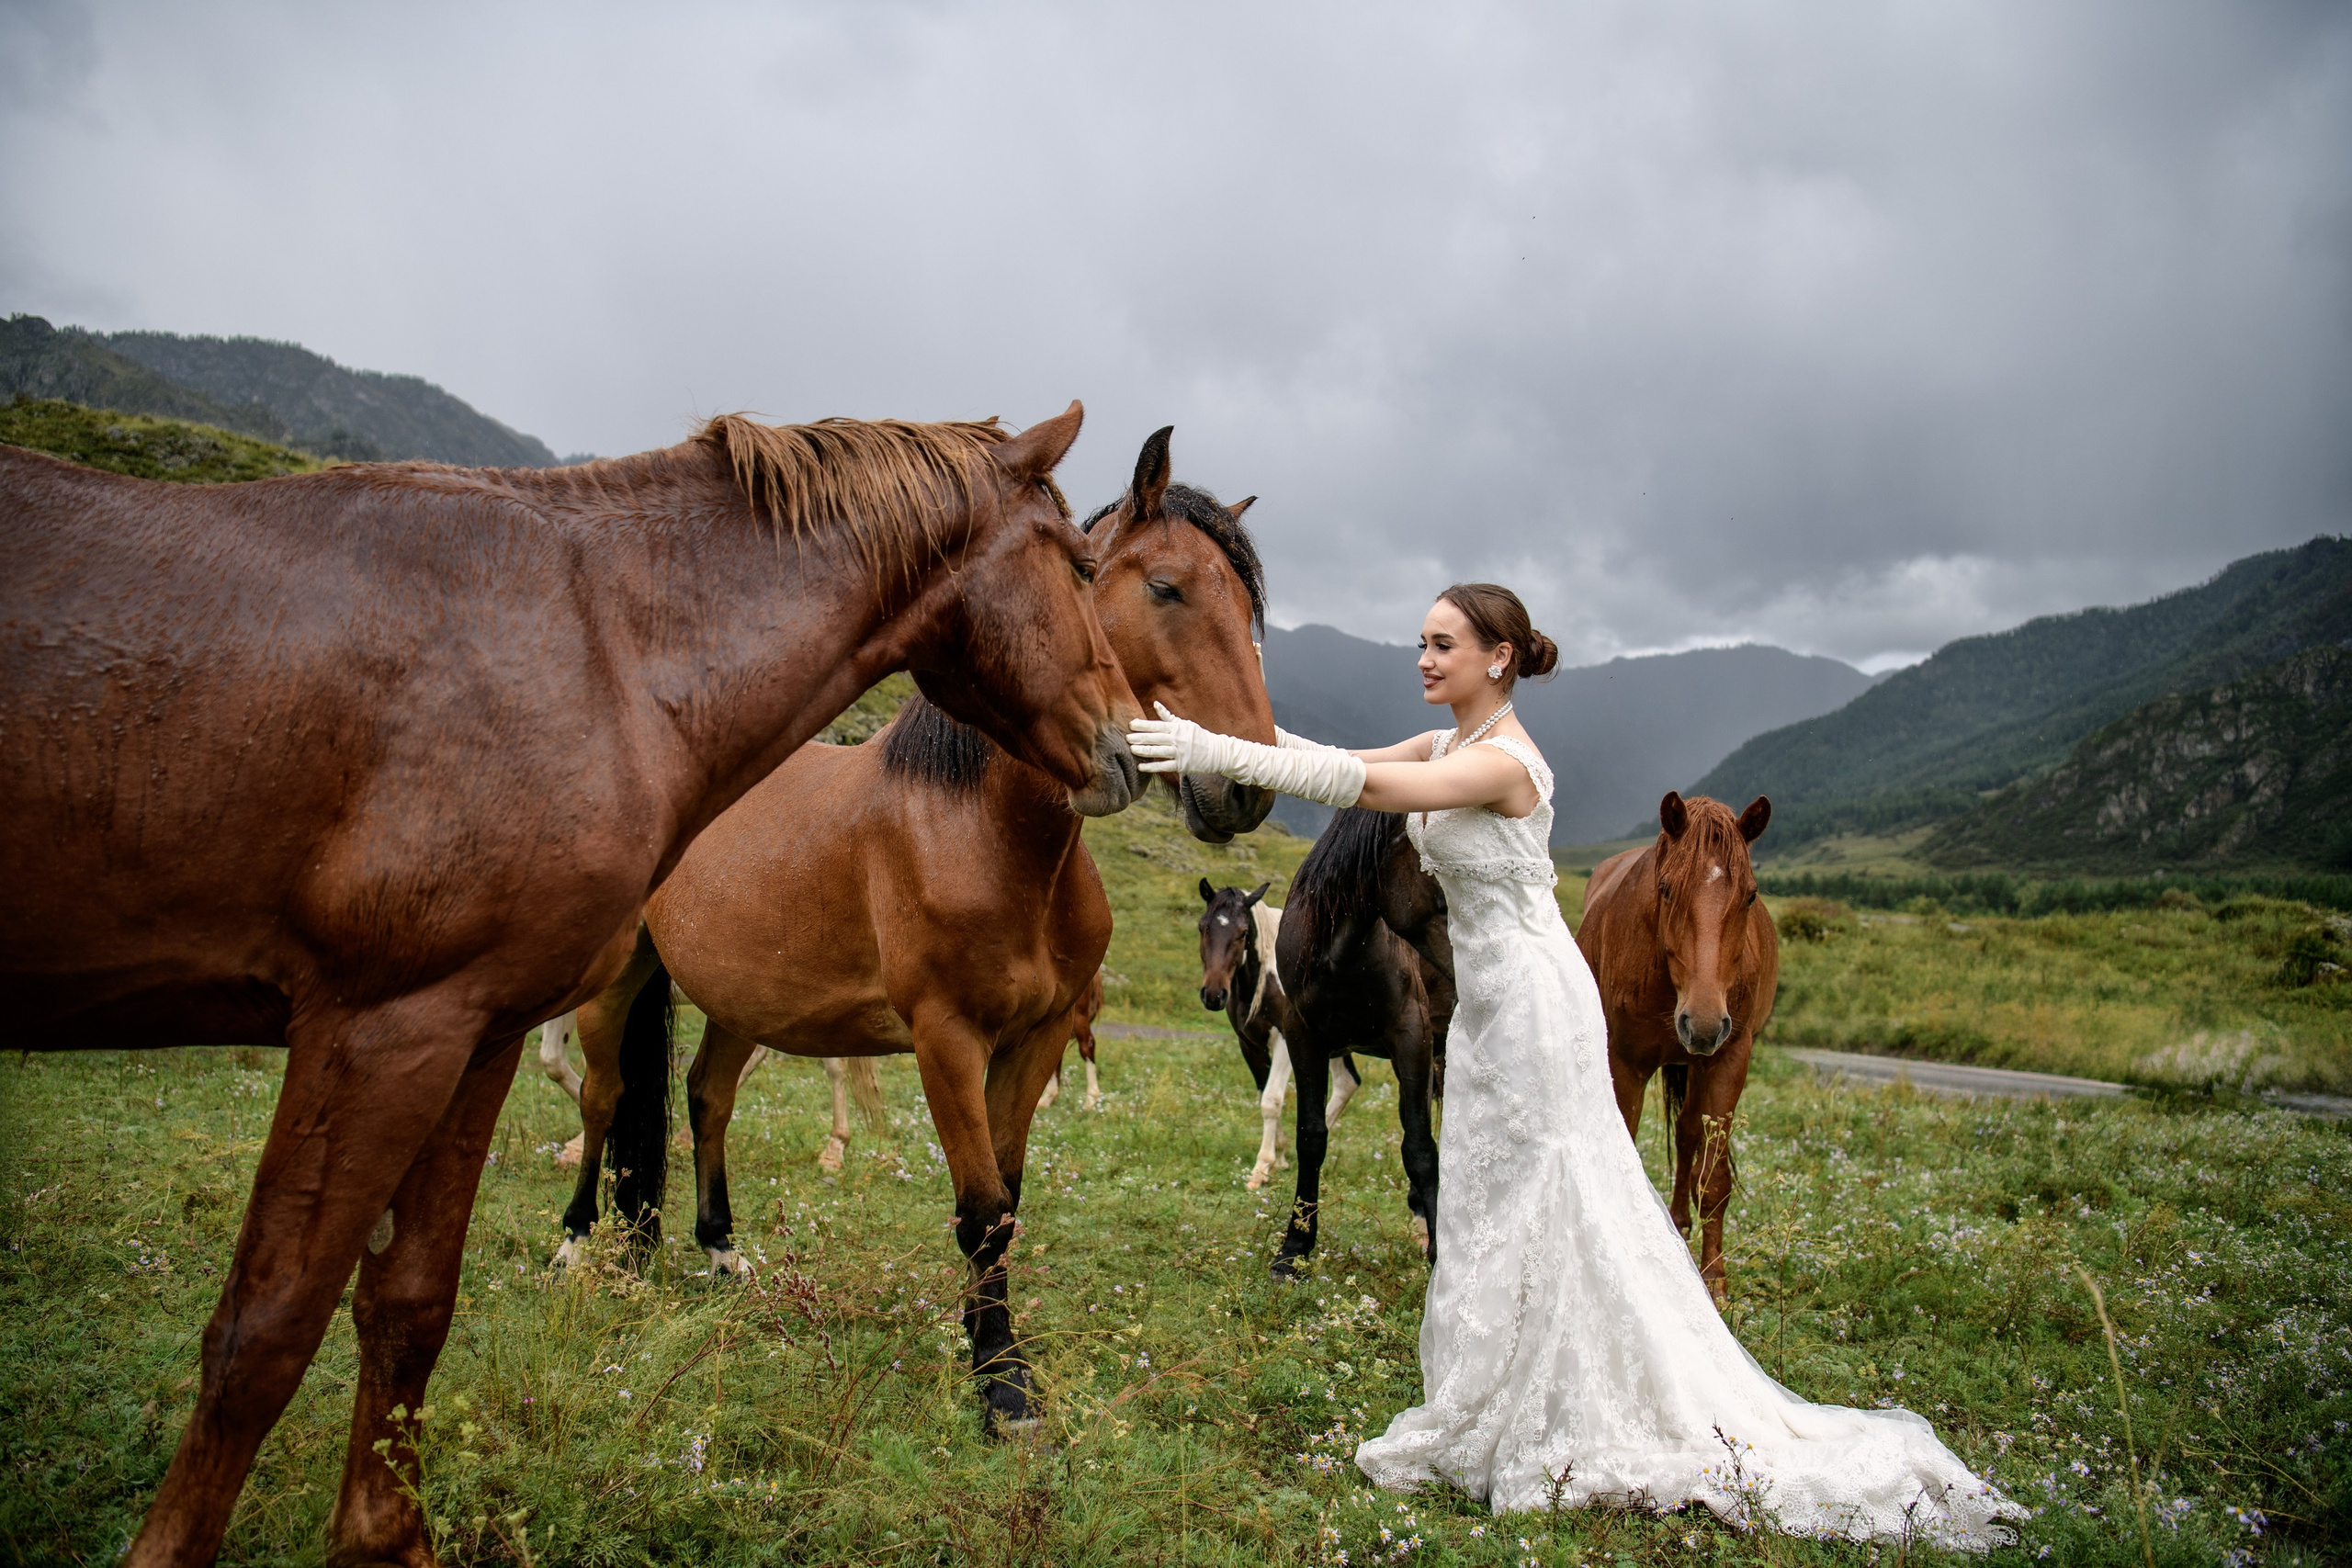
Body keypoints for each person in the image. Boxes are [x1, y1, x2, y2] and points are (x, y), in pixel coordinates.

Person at [1128, 582, 2011, 1549]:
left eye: (1442, 644)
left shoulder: (1505, 762)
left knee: (1558, 1189)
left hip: (1538, 1003)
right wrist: (1216, 731)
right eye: (1418, 643)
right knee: (1496, 1193)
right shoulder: (1449, 745)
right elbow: (1324, 758)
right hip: (1487, 1007)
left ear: (1498, 658)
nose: (1422, 659)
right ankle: (1509, 1387)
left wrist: (1219, 752)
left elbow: (1362, 789)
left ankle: (1579, 1393)